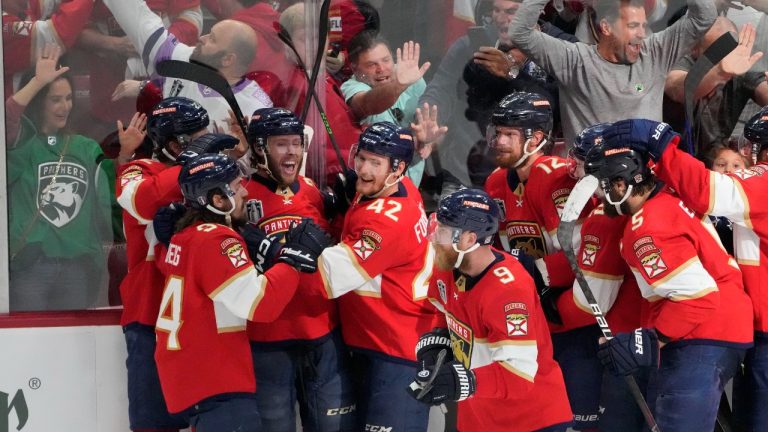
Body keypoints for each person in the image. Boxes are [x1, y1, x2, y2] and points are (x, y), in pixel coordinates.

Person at [600, 117, 768, 431]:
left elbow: (696, 298)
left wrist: (649, 339)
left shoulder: (648, 224)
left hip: (710, 332)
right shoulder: (670, 201)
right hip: (738, 328)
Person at [153, 152, 330, 431]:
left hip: (193, 379)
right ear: (217, 200)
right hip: (217, 380)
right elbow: (261, 305)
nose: (246, 192)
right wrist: (291, 260)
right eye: (236, 187)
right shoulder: (217, 239)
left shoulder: (184, 236)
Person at [408, 188, 572, 432]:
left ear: (469, 239)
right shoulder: (448, 265)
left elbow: (518, 376)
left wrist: (462, 380)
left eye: (442, 232)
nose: (433, 238)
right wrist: (439, 341)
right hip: (479, 417)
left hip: (529, 421)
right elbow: (444, 309)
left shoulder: (508, 290)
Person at [314, 122, 443, 431]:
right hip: (380, 339)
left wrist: (296, 247)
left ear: (397, 168)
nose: (363, 169)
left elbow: (328, 276)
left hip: (397, 348)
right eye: (362, 158)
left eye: (375, 162)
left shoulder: (387, 222)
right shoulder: (400, 188)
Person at [483, 91, 600, 430]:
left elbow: (583, 256)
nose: (499, 141)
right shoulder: (495, 182)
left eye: (509, 134)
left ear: (536, 138)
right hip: (535, 323)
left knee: (579, 421)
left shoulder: (554, 179)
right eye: (498, 132)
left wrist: (538, 273)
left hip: (576, 323)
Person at [240, 108, 356, 431]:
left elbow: (338, 244)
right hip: (269, 340)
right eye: (281, 144)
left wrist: (346, 209)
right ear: (261, 149)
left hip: (322, 334)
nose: (292, 151)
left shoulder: (311, 192)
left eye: (296, 143)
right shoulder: (241, 198)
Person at [116, 97, 226, 432]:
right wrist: (188, 168)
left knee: (205, 419)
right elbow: (141, 202)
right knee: (155, 422)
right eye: (199, 140)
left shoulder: (210, 177)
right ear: (175, 144)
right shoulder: (139, 171)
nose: (207, 151)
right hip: (151, 314)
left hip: (201, 315)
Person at [508, 0, 717, 144]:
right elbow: (519, 32)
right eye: (633, 26)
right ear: (606, 27)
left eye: (643, 25)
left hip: (647, 182)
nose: (642, 34)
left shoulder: (655, 52)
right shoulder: (573, 60)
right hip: (590, 185)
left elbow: (704, 17)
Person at [419, 0, 574, 194]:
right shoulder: (471, 45)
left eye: (511, 11)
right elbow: (441, 89)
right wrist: (429, 117)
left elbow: (559, 108)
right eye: (496, 10)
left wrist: (513, 74)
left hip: (537, 180)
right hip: (468, 177)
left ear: (537, 11)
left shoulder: (565, 48)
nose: (501, 19)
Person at [5, 45, 114, 312]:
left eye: (68, 98)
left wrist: (124, 159)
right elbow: (7, 117)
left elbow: (109, 197)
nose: (64, 106)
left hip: (75, 265)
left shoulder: (86, 147)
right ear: (39, 101)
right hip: (31, 264)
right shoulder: (22, 143)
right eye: (55, 99)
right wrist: (37, 82)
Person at [566, 122, 648, 431]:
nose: (572, 165)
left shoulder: (606, 217)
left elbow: (592, 302)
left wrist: (546, 313)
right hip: (656, 338)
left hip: (625, 342)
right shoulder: (635, 201)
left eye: (581, 160)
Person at [101, 0, 273, 128]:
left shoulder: (255, 109)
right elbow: (138, 19)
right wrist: (145, 87)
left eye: (212, 39)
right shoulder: (182, 58)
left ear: (227, 60)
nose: (201, 38)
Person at [665, 17, 768, 159]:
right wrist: (720, 72)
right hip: (674, 162)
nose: (725, 58)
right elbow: (679, 88)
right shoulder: (681, 61)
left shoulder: (742, 71)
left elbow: (763, 92)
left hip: (718, 165)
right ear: (695, 49)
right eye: (716, 51)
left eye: (730, 49)